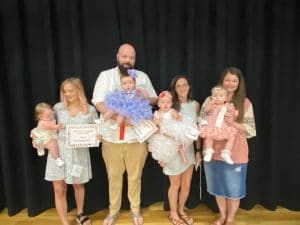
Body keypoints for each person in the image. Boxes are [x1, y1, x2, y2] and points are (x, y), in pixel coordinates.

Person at [92, 43, 157, 225]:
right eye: (125, 56)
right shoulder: (105, 76)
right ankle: (113, 211)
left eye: (132, 57)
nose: (128, 60)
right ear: (117, 57)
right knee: (113, 176)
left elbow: (154, 98)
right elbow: (98, 102)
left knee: (135, 176)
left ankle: (135, 210)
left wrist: (142, 97)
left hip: (136, 137)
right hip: (111, 137)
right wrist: (119, 118)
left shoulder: (142, 77)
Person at [36, 77, 98, 225]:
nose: (68, 94)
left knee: (78, 185)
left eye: (71, 90)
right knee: (59, 189)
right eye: (65, 91)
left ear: (79, 90)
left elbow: (97, 130)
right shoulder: (57, 108)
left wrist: (97, 136)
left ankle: (80, 214)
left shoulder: (90, 110)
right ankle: (64, 221)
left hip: (79, 154)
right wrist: (39, 141)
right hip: (59, 153)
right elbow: (43, 129)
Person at [200, 67, 256, 225]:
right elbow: (202, 121)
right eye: (227, 80)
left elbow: (250, 130)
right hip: (212, 150)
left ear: (239, 83)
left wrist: (233, 123)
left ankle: (230, 219)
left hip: (235, 151)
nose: (230, 84)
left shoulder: (245, 102)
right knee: (218, 185)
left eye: (234, 81)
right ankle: (222, 216)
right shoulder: (209, 100)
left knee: (233, 188)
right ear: (221, 82)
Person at [163, 75, 201, 225]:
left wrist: (198, 150)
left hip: (190, 150)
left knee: (186, 184)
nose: (182, 88)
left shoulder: (195, 105)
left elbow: (197, 130)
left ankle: (181, 210)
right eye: (178, 86)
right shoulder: (170, 106)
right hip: (174, 151)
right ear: (174, 89)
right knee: (175, 184)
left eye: (184, 84)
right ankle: (173, 213)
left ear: (189, 86)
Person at [148, 90, 198, 165]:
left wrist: (177, 116)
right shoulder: (157, 113)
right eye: (163, 102)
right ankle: (163, 160)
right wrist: (156, 122)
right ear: (158, 104)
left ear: (171, 104)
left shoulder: (171, 111)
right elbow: (154, 124)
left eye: (168, 102)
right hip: (162, 132)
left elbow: (179, 118)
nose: (165, 104)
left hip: (172, 130)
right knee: (161, 146)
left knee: (179, 144)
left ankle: (183, 156)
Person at [199, 86, 238, 164]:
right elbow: (206, 110)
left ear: (225, 98)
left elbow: (233, 114)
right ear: (211, 97)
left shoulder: (228, 106)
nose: (217, 98)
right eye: (215, 95)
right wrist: (211, 102)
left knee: (232, 136)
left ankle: (226, 152)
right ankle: (209, 151)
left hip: (223, 127)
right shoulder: (212, 106)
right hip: (212, 126)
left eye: (220, 96)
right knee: (208, 136)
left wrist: (234, 113)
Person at [31, 102, 65, 167]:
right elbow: (55, 127)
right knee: (53, 146)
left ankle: (40, 149)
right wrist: (61, 126)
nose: (51, 117)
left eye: (52, 114)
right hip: (42, 138)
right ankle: (57, 159)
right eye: (48, 116)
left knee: (40, 144)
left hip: (41, 136)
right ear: (40, 117)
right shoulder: (45, 123)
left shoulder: (48, 119)